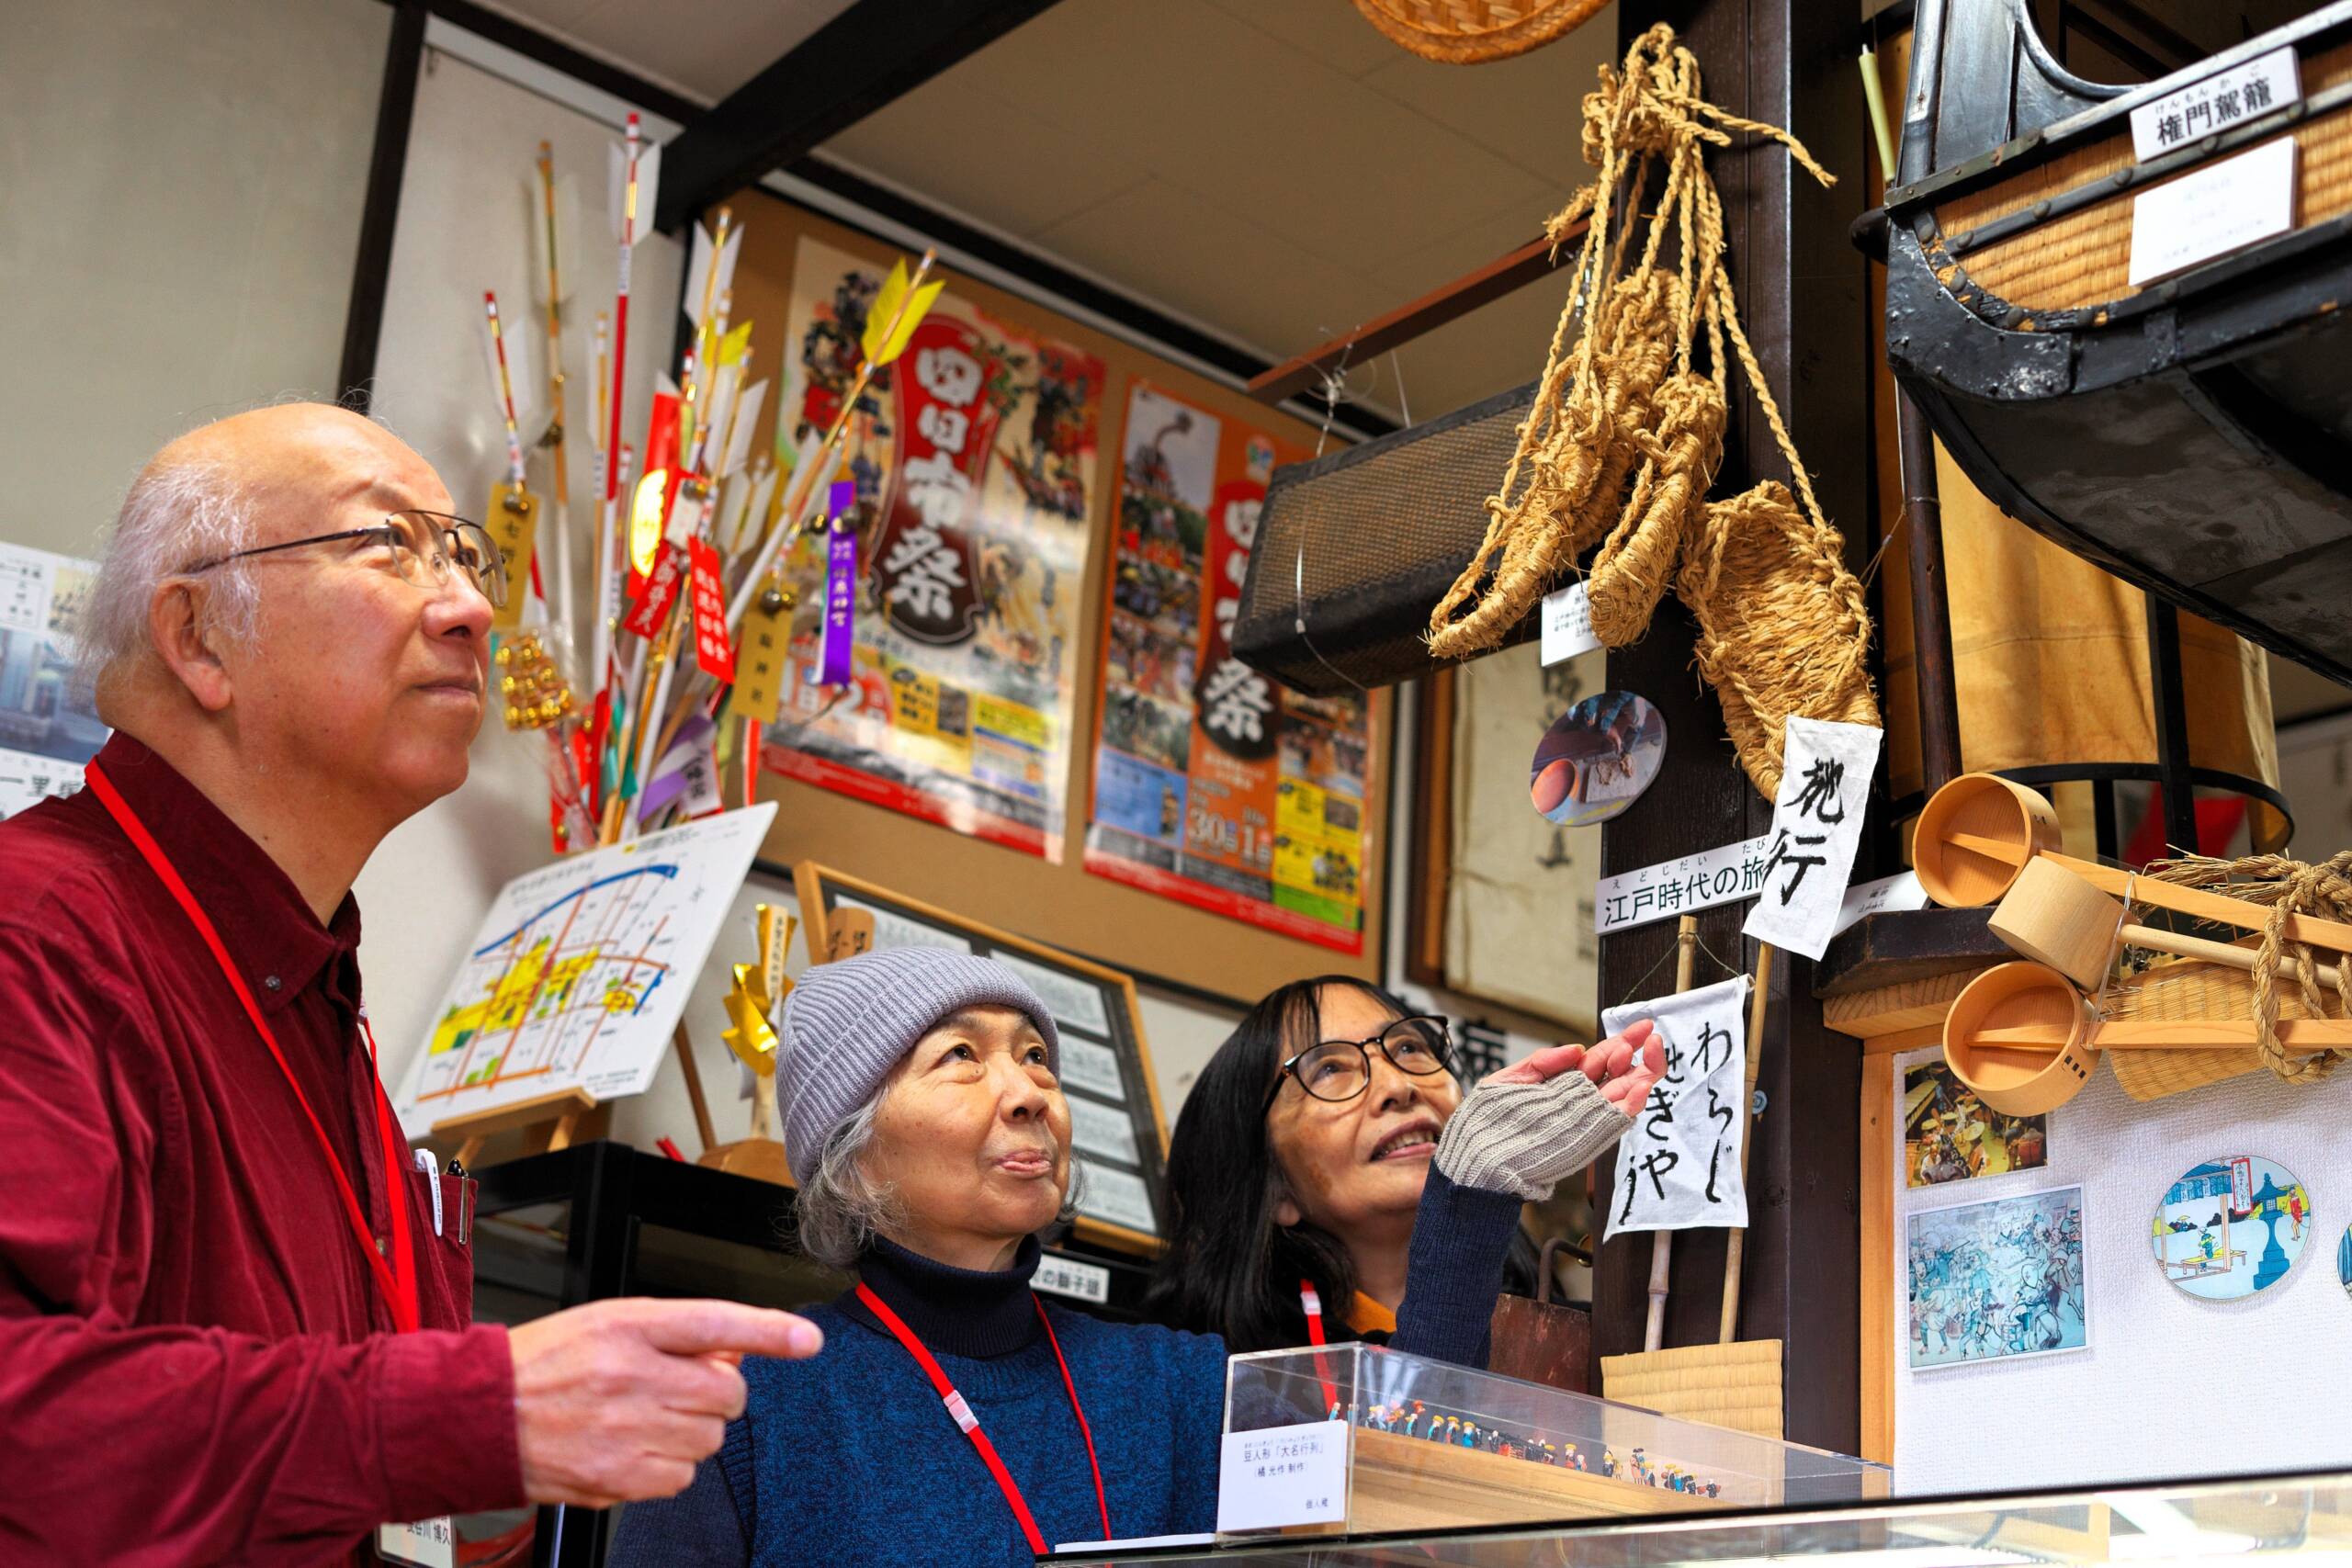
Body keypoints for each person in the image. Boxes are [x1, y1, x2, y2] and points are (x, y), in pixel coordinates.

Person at [0, 405, 823, 1564]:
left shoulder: (313, 990)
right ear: (197, 639)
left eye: (462, 553)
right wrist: (469, 1411)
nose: (474, 607)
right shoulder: (36, 933)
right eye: (387, 546)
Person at [608, 948, 1660, 1565]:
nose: (1026, 1090)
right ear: (850, 1152)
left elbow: (1406, 1506)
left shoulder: (1172, 1382)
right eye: (959, 1059)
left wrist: (1467, 1206)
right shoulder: (737, 1406)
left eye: (1033, 1056)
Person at [1147, 976, 1650, 1354]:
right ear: (1273, 1187)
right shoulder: (1228, 1377)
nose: (1398, 1085)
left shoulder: (1565, 1339)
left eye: (1409, 1046)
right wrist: (1467, 1199)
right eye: (1328, 1068)